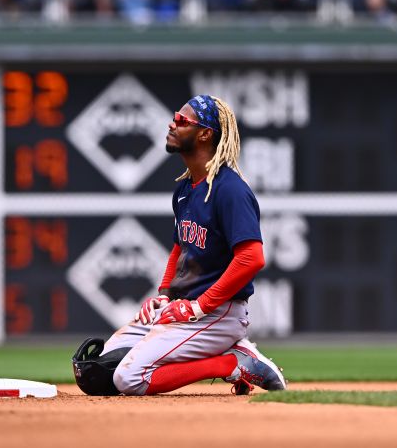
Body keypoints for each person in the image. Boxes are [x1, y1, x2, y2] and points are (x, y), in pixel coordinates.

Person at [99, 95, 287, 396]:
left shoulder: (231, 191)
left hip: (220, 312)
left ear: (205, 134)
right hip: (184, 306)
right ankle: (225, 351)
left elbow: (251, 258)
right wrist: (164, 295)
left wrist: (200, 307)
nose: (173, 123)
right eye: (175, 116)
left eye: (182, 120)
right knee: (104, 365)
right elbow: (180, 250)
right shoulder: (186, 189)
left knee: (128, 378)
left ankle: (231, 363)